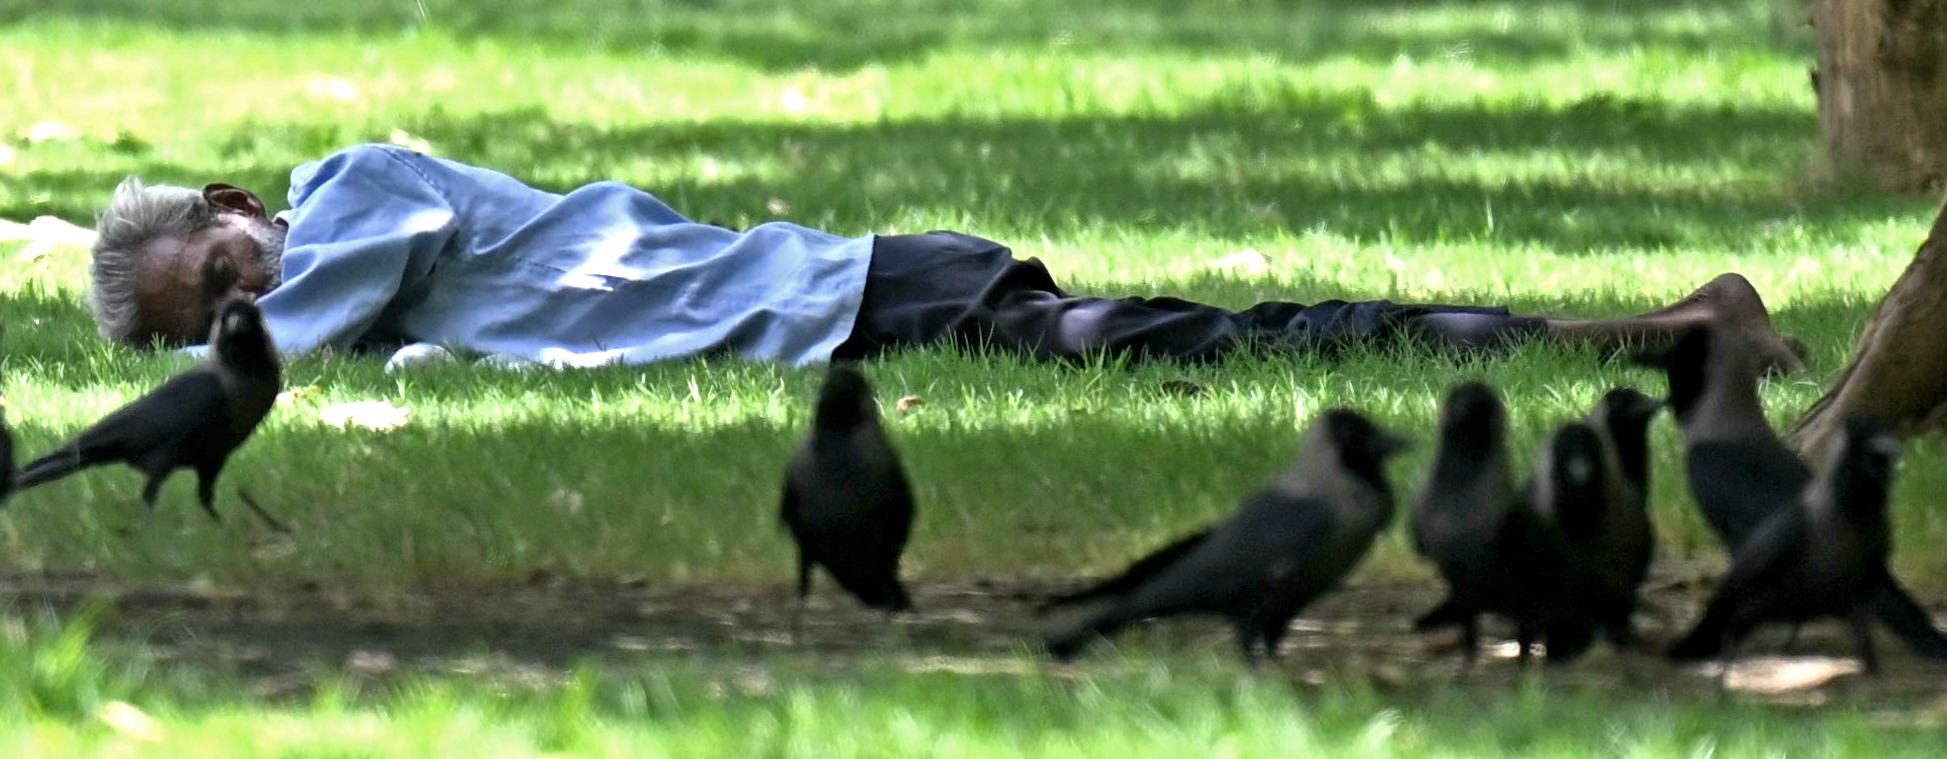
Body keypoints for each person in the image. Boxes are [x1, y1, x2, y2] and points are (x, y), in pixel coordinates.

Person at [92, 142, 1804, 374]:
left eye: (226, 273)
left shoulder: (358, 190)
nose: (248, 307)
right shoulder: (388, 318)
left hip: (851, 291)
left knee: (1209, 343)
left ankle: (1645, 329)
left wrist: (222, 368)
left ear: (243, 205)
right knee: (1206, 342)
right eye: (212, 317)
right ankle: (1659, 330)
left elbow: (318, 322)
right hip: (838, 328)